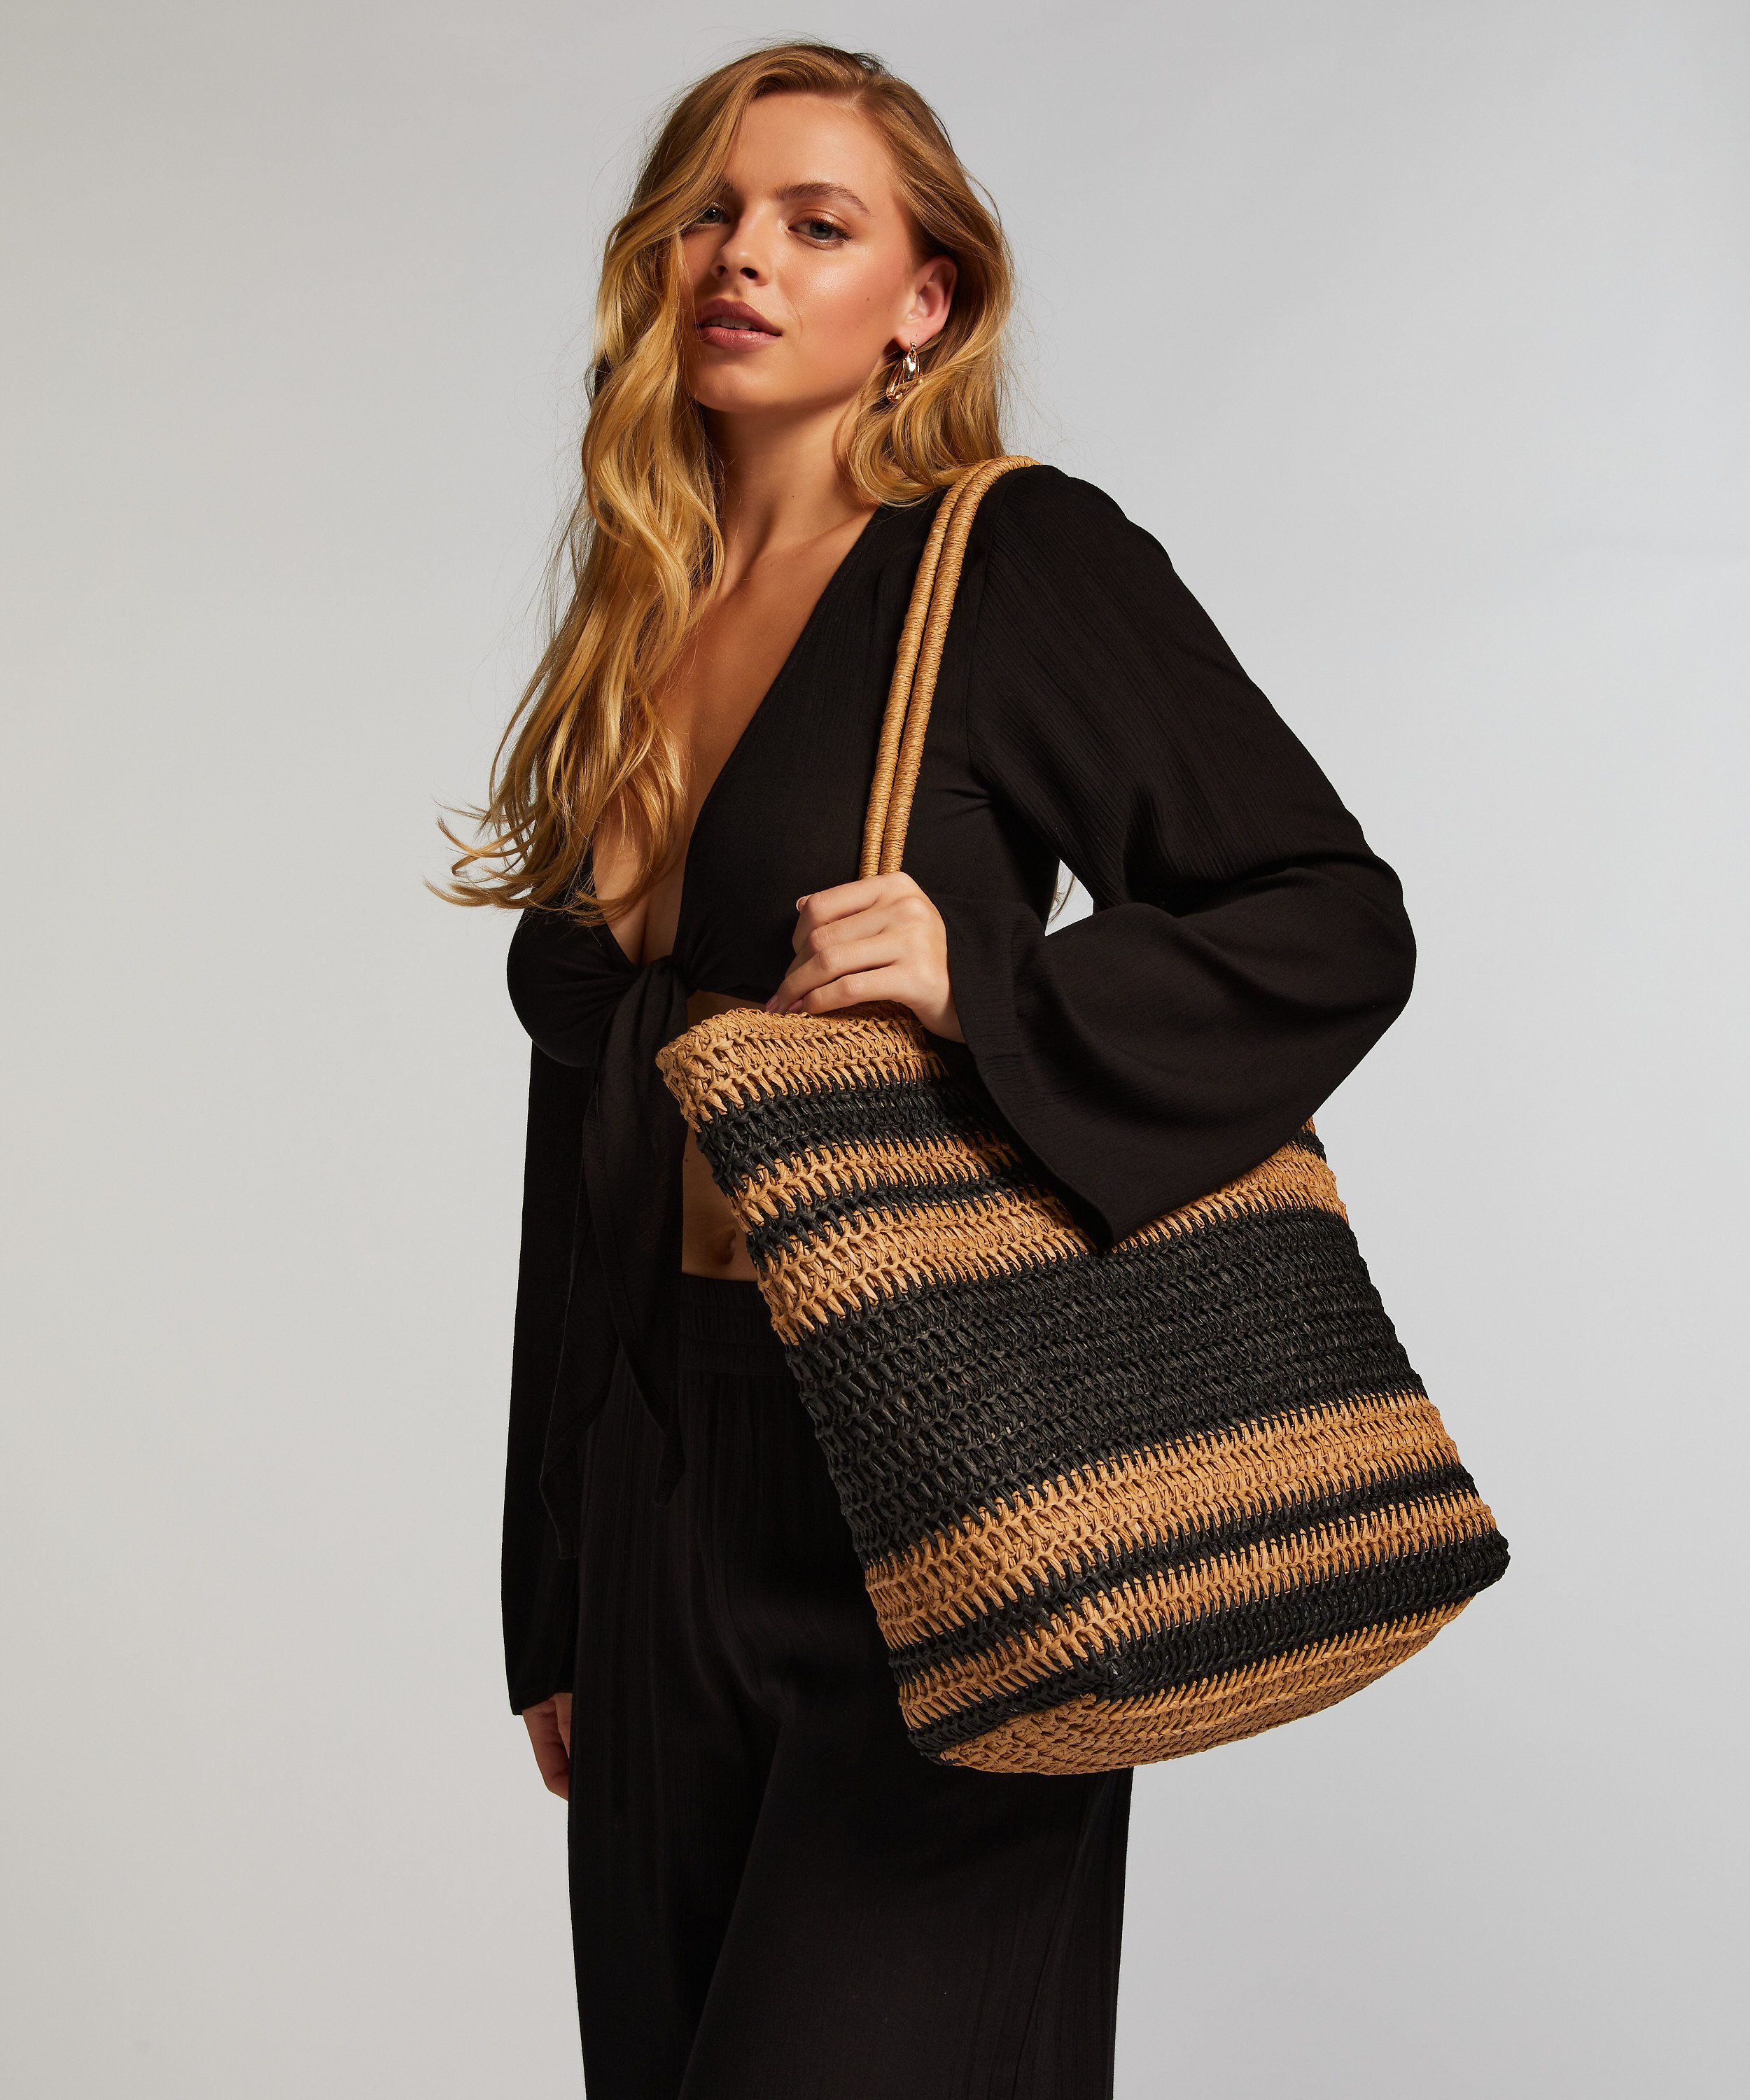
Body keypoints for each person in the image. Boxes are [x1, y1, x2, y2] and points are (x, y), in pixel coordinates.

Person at [444, 38, 1416, 2099]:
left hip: (933, 1471)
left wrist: (993, 989)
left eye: (819, 223)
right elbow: (583, 1129)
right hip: (652, 1487)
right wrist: (553, 1591)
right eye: (710, 213)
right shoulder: (636, 614)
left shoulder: (1013, 558)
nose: (745, 255)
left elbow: (1328, 917)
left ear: (925, 300)